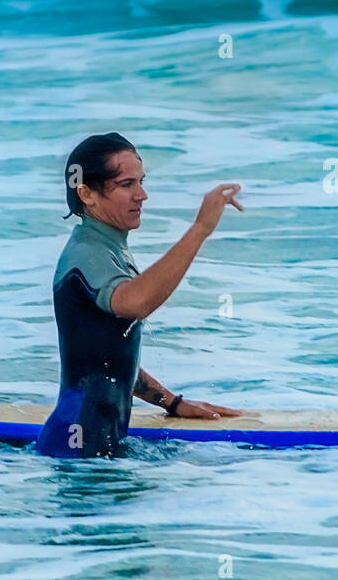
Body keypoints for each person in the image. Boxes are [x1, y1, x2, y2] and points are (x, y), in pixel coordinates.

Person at [35, 132, 242, 458]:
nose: (142, 195)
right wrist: (200, 229)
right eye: (127, 184)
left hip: (86, 443)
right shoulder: (88, 255)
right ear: (87, 193)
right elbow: (136, 303)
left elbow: (105, 360)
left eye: (141, 182)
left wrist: (171, 403)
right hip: (77, 448)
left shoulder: (105, 248)